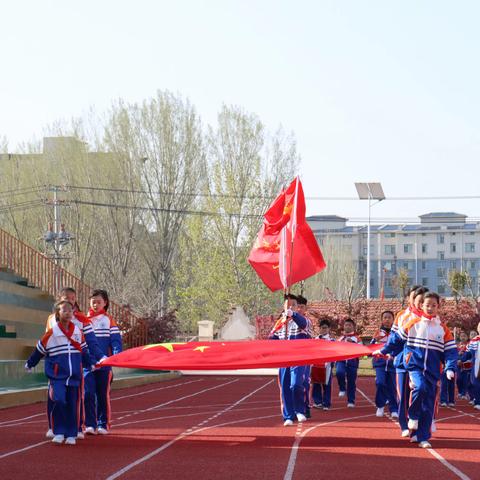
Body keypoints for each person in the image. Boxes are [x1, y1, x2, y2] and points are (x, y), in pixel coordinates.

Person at [376, 292, 458, 449]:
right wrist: (383, 350)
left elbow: (451, 351)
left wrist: (449, 367)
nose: (430, 308)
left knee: (428, 404)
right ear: (422, 306)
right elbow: (395, 340)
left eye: (434, 305)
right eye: (428, 305)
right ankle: (412, 416)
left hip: (433, 371)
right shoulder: (413, 323)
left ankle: (422, 436)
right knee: (419, 388)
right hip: (415, 366)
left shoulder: (443, 329)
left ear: (438, 307)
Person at [25, 301, 93, 445]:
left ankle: (71, 433)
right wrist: (30, 363)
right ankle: (59, 431)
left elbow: (85, 352)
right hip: (57, 377)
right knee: (60, 400)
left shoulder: (77, 333)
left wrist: (91, 364)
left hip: (74, 376)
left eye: (71, 310)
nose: (68, 313)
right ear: (57, 314)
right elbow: (39, 351)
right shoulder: (51, 334)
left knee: (73, 405)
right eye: (64, 310)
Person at [44, 287, 105, 439]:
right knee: (53, 396)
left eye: (72, 298)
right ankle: (53, 427)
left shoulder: (82, 319)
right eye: (66, 297)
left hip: (74, 364)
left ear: (75, 299)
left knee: (75, 397)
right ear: (59, 298)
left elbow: (91, 342)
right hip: (56, 365)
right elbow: (46, 341)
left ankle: (77, 427)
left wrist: (100, 357)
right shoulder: (51, 318)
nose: (69, 300)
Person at [269, 293, 312, 426]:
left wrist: (292, 314)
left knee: (296, 384)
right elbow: (271, 339)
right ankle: (288, 415)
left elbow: (303, 324)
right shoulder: (280, 323)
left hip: (299, 358)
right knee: (285, 387)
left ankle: (300, 410)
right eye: (288, 305)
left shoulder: (304, 320)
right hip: (284, 359)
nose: (292, 307)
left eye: (294, 305)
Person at [391, 286, 428, 437]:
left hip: (420, 363)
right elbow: (393, 340)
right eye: (414, 298)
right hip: (402, 362)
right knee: (403, 396)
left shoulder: (427, 319)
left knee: (420, 393)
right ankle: (403, 424)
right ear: (409, 299)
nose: (417, 302)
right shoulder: (402, 316)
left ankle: (418, 427)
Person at [84, 289, 122, 434]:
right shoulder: (84, 320)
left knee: (102, 395)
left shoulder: (109, 320)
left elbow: (116, 341)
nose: (95, 304)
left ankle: (103, 424)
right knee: (87, 394)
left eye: (99, 302)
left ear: (105, 303)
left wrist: (117, 356)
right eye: (93, 301)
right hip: (88, 364)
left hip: (105, 365)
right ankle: (89, 424)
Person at [371, 310, 398, 418]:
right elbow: (370, 348)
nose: (387, 319)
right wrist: (374, 341)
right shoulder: (377, 333)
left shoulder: (396, 333)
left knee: (392, 386)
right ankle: (380, 406)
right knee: (380, 383)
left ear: (393, 320)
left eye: (389, 317)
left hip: (392, 363)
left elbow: (399, 346)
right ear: (382, 320)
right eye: (385, 317)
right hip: (380, 362)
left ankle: (393, 409)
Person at [335, 319, 361, 407]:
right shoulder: (340, 338)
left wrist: (353, 342)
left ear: (353, 327)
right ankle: (342, 388)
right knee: (339, 373)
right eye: (346, 325)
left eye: (349, 325)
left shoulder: (357, 338)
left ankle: (351, 401)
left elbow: (362, 349)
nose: (347, 327)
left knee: (351, 381)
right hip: (341, 361)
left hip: (352, 362)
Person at [311, 319, 334, 410]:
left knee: (326, 384)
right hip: (316, 364)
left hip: (327, 364)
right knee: (316, 383)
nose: (323, 330)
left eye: (325, 328)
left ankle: (326, 403)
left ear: (329, 329)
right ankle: (317, 402)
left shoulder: (331, 340)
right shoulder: (315, 339)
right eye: (321, 328)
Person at [460, 322, 480, 410]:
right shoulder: (474, 340)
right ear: (478, 329)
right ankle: (478, 401)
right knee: (474, 383)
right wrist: (461, 359)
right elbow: (468, 353)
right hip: (476, 365)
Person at [456, 330, 471, 400]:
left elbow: (469, 354)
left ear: (467, 337)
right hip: (458, 366)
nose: (463, 337)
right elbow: (453, 354)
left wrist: (462, 360)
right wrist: (458, 359)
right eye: (461, 336)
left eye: (464, 336)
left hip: (466, 366)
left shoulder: (469, 345)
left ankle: (464, 393)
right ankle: (459, 391)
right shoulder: (457, 345)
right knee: (458, 379)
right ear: (459, 337)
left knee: (465, 380)